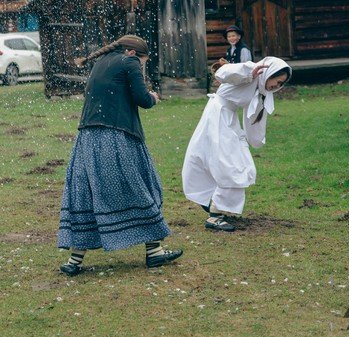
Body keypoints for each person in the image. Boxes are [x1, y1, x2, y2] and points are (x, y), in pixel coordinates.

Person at [57, 35, 183, 275]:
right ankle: (154, 252)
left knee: (87, 193)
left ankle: (74, 260)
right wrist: (153, 97)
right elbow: (142, 99)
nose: (142, 66)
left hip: (87, 137)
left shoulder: (101, 62)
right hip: (117, 135)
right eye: (144, 62)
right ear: (133, 53)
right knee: (143, 186)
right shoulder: (129, 62)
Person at [182, 57, 292, 232]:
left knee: (230, 161)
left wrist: (255, 140)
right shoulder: (250, 72)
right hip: (218, 117)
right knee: (231, 164)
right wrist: (249, 73)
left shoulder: (262, 91)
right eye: (277, 81)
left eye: (281, 84)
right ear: (269, 74)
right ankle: (214, 214)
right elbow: (223, 73)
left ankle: (212, 202)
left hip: (227, 118)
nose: (277, 86)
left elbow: (255, 117)